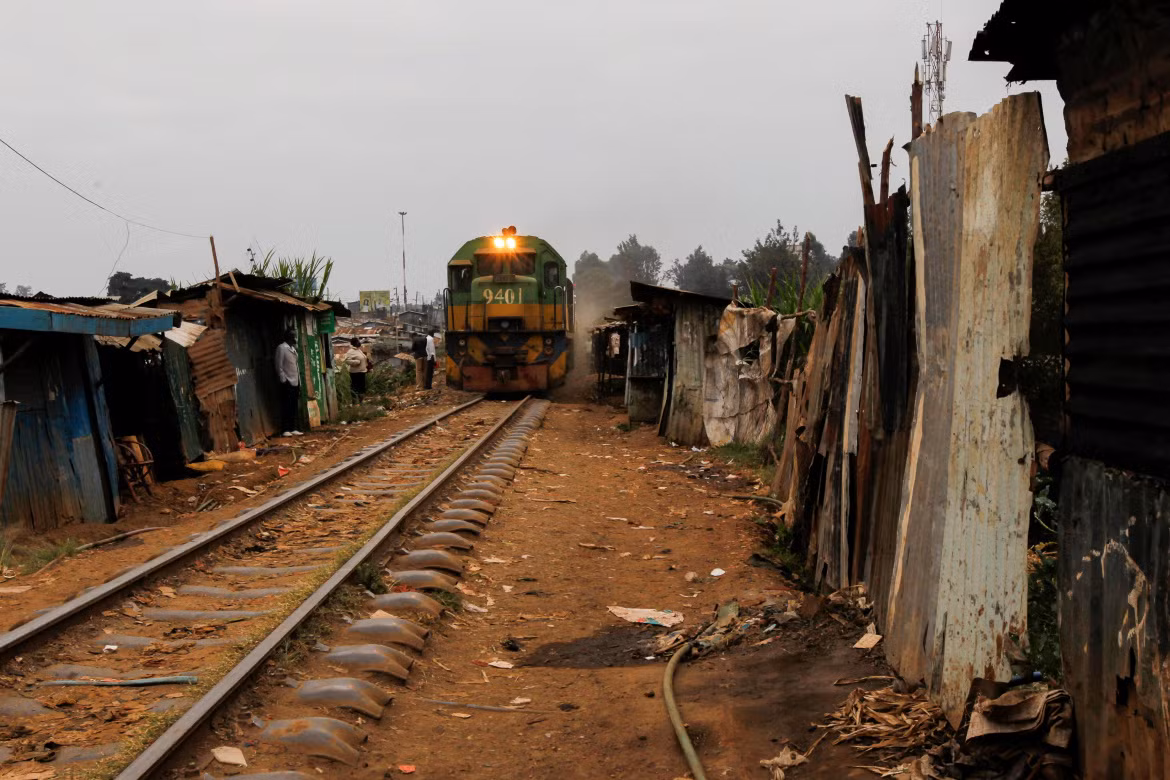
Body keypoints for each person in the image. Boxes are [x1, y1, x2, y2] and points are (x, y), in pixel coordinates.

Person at [275, 330, 302, 436]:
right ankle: (285, 429)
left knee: (293, 405)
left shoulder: (293, 349)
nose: (295, 338)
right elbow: (279, 365)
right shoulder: (281, 348)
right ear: (289, 337)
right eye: (294, 336)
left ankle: (292, 427)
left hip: (295, 381)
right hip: (287, 382)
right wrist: (283, 380)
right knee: (286, 405)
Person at [344, 337, 370, 403]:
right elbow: (347, 361)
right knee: (355, 387)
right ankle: (355, 402)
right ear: (354, 343)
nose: (359, 343)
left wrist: (368, 367)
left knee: (361, 387)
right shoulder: (350, 351)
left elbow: (363, 358)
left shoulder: (358, 350)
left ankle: (361, 402)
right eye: (358, 341)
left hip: (362, 371)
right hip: (355, 372)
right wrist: (356, 362)